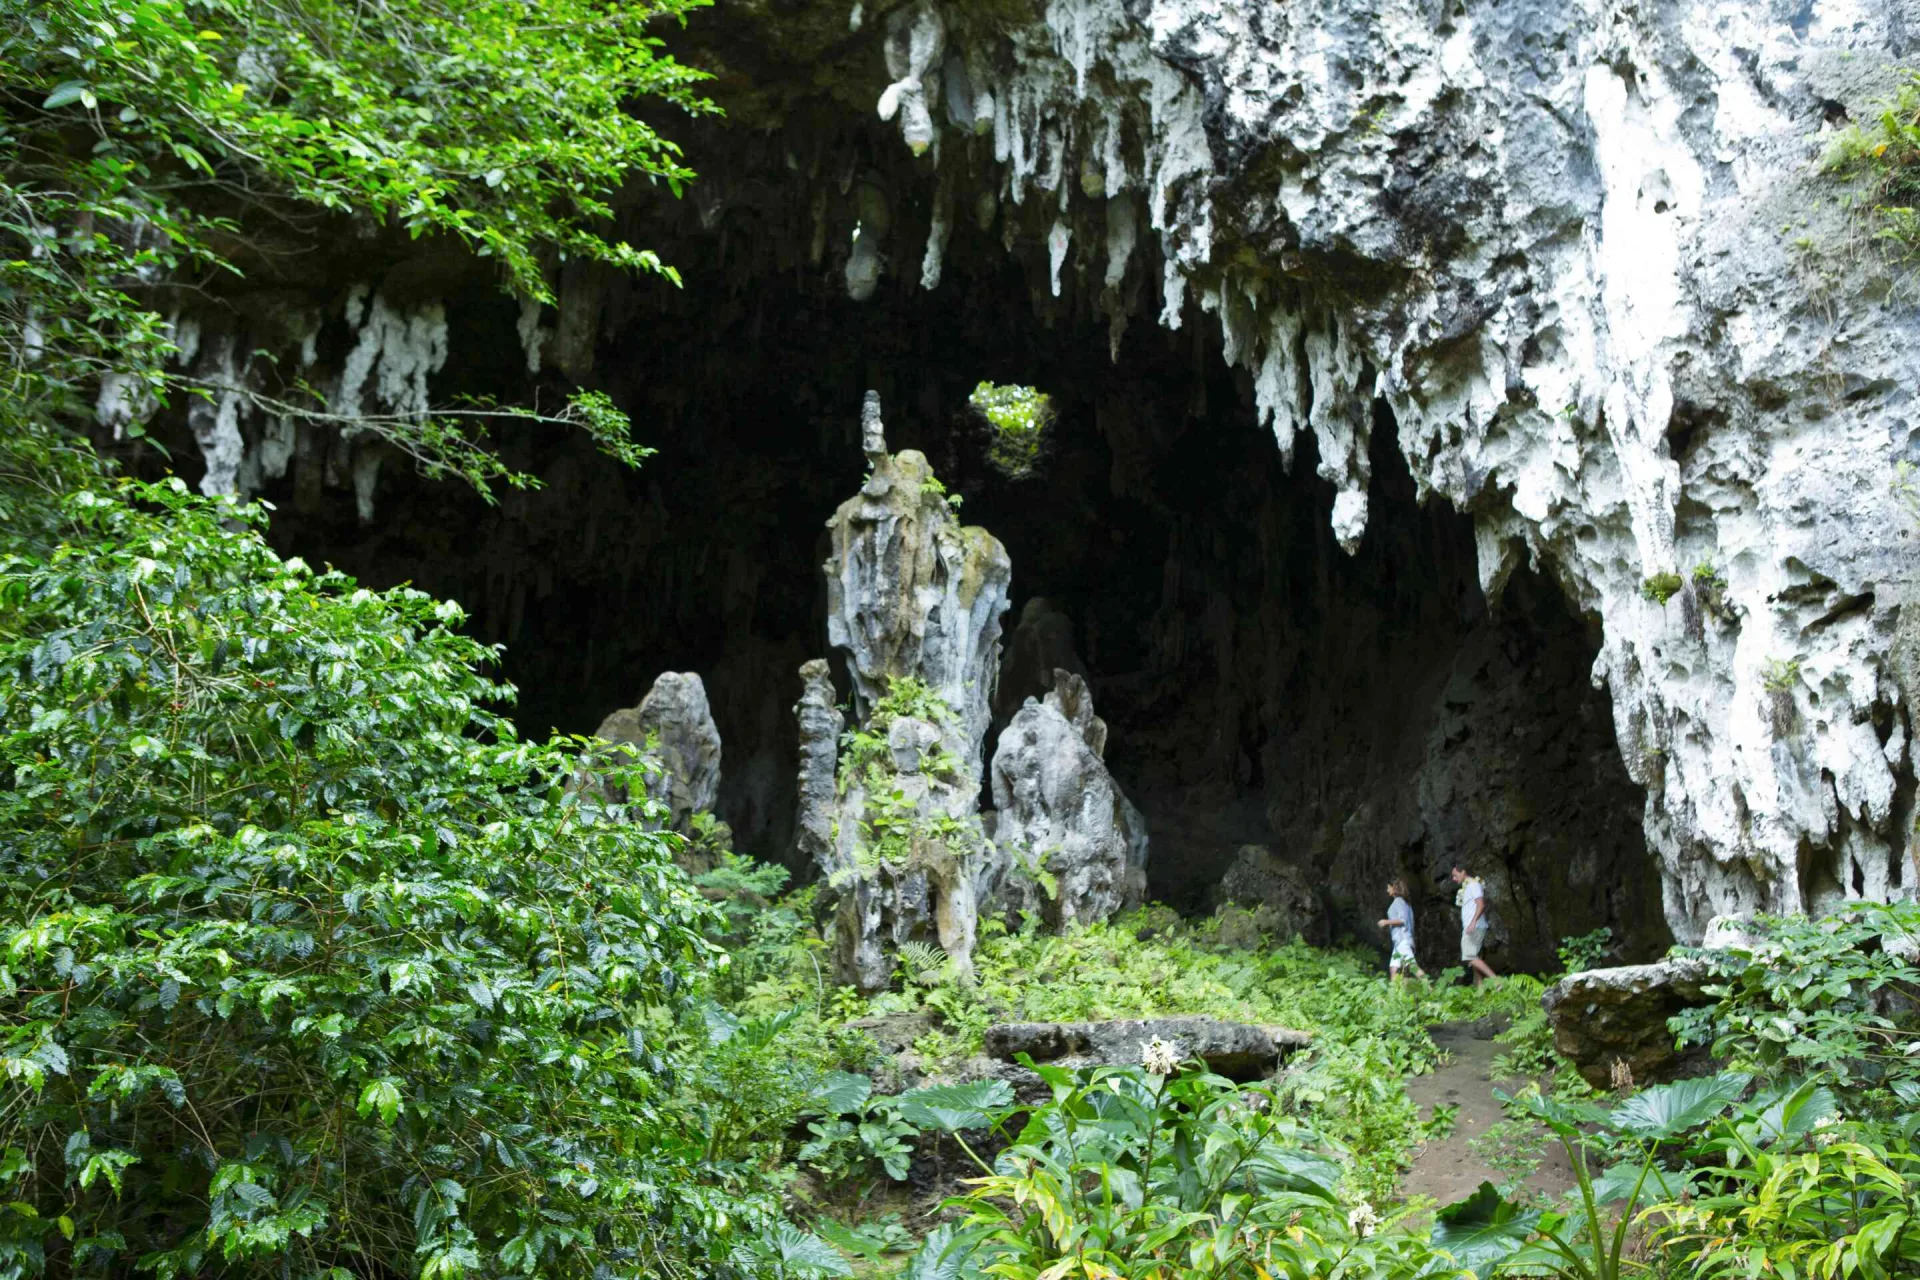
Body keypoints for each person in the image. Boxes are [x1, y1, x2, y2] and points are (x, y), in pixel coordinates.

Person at [1452, 862, 1498, 985]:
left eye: (1455, 875)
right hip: (1470, 927)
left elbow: (1481, 904)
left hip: (1475, 926)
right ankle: (1480, 990)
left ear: (1463, 872)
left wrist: (1473, 922)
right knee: (1473, 958)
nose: (1454, 878)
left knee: (1469, 956)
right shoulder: (1467, 887)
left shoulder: (1473, 885)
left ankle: (1497, 981)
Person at [1377, 878, 1420, 981]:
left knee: (1414, 967)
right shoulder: (1405, 903)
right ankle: (1395, 994)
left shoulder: (1398, 901)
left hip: (1402, 940)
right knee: (1393, 969)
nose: (1387, 890)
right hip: (1399, 942)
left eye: (1388, 888)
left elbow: (1403, 920)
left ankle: (1431, 990)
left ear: (1394, 888)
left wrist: (1386, 922)